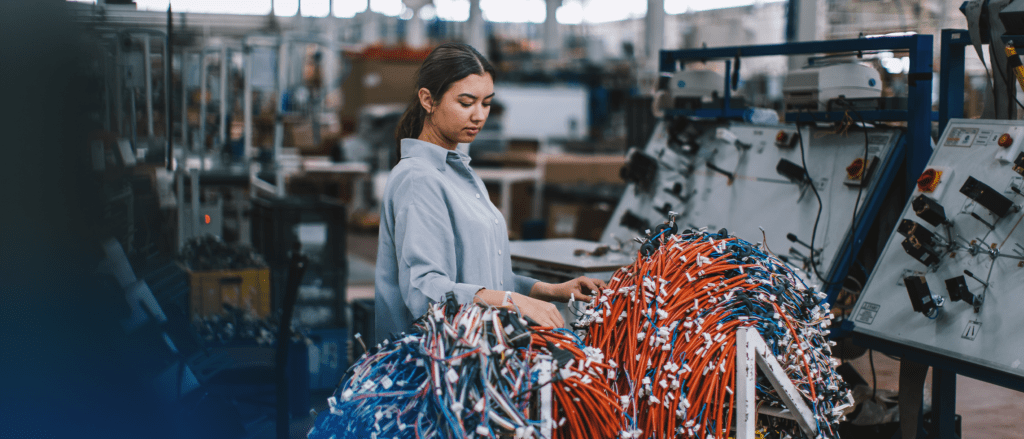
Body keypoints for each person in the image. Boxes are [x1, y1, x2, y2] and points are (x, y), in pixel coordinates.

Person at [374, 43, 606, 342]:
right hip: (434, 363)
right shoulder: (418, 178)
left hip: (479, 354)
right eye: (466, 102)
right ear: (428, 100)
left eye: (486, 103)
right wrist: (515, 302)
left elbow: (492, 281)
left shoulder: (461, 175)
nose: (479, 116)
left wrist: (553, 291)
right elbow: (424, 293)